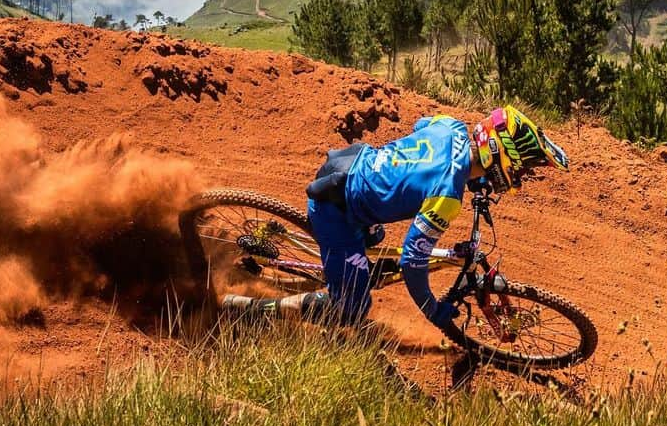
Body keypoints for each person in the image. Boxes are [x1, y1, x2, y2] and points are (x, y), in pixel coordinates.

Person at [224, 106, 569, 327]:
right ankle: (250, 310)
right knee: (351, 307)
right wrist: (431, 310)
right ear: (501, 154)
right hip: (336, 207)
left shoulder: (450, 126)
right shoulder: (446, 196)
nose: (520, 177)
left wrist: (471, 176)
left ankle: (343, 257)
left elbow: (421, 125)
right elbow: (412, 261)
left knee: (374, 243)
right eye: (521, 168)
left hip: (353, 163)